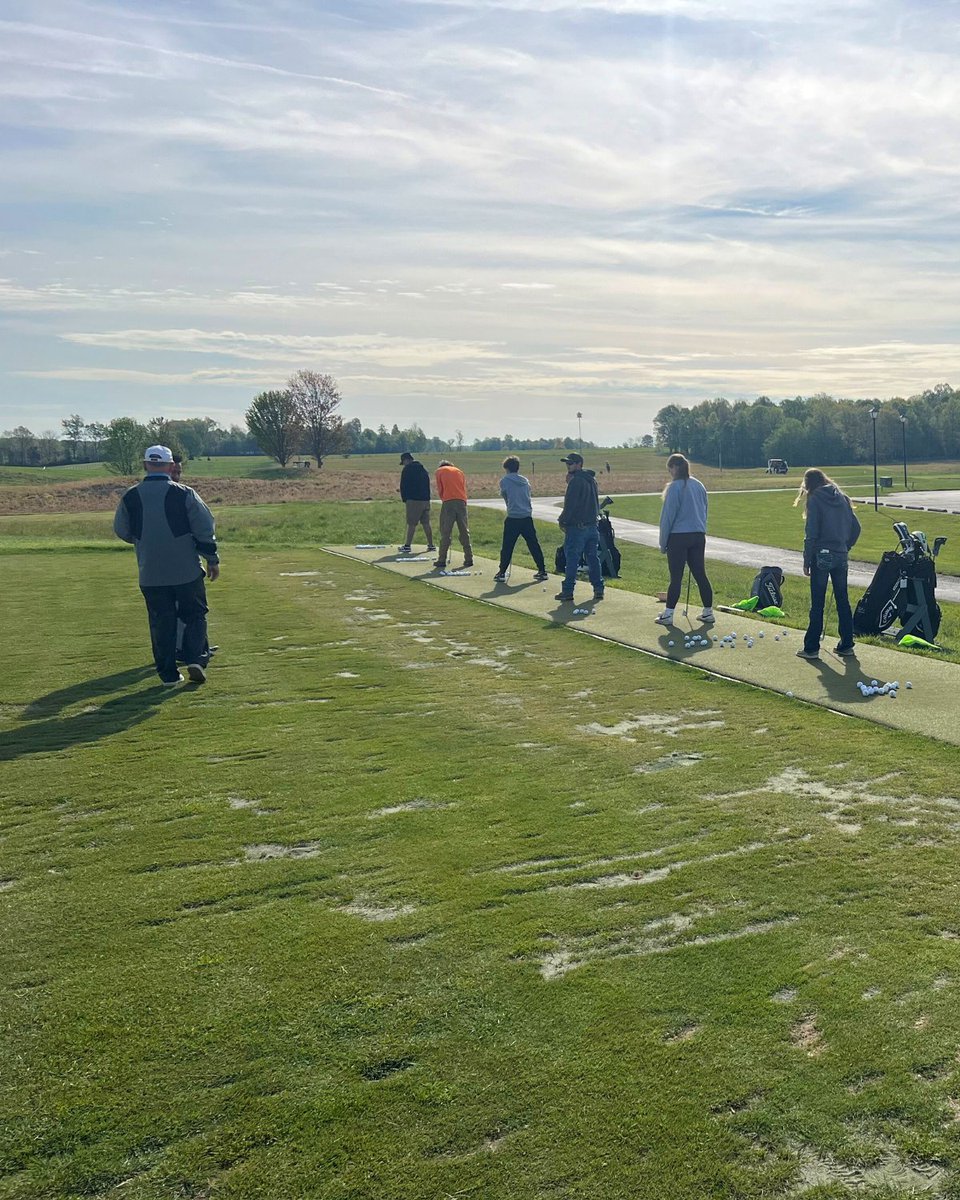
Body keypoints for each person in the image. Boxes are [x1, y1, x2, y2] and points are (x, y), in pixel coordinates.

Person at [113, 445, 220, 686]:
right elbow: (204, 528)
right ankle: (195, 658)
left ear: (145, 465)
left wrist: (145, 541)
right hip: (186, 570)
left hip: (150, 572)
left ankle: (168, 675)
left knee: (161, 621)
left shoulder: (130, 496)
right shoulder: (185, 493)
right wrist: (212, 559)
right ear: (171, 466)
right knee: (195, 614)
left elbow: (122, 530)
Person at [795, 468, 862, 660]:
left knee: (818, 603)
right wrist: (846, 546)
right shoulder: (841, 497)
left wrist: (807, 560)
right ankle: (846, 644)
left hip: (822, 555)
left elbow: (812, 533)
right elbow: (856, 527)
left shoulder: (815, 498)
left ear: (808, 484)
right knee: (843, 600)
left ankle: (811, 648)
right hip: (841, 554)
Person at [656, 453, 714, 625]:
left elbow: (667, 518)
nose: (670, 473)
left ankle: (668, 614)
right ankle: (708, 612)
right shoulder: (699, 485)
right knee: (700, 574)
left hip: (678, 537)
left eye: (670, 469)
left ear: (674, 467)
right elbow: (705, 511)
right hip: (698, 535)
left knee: (676, 577)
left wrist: (662, 542)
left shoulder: (674, 487)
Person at [171, 455, 217, 666]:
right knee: (186, 610)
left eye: (179, 472)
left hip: (184, 562)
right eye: (174, 471)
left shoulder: (184, 495)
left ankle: (199, 647)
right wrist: (212, 558)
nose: (177, 476)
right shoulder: (182, 495)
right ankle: (187, 652)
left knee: (194, 609)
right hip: (179, 566)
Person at [555, 452, 603, 603]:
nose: (568, 466)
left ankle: (567, 591)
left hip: (577, 527)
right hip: (592, 526)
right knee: (592, 558)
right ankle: (598, 588)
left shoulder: (576, 482)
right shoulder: (591, 480)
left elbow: (570, 506)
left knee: (572, 560)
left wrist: (562, 521)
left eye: (571, 463)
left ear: (579, 464)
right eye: (567, 463)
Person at [493, 456, 548, 583]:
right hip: (527, 516)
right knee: (534, 544)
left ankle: (502, 572)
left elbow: (505, 496)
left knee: (507, 546)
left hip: (513, 517)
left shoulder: (504, 481)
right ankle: (542, 570)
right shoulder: (525, 480)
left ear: (506, 468)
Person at [433, 459, 474, 570]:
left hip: (448, 502)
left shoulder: (439, 471)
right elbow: (462, 486)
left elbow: (440, 488)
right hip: (461, 501)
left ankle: (442, 559)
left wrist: (444, 499)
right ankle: (469, 558)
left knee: (446, 531)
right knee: (464, 530)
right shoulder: (459, 471)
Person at [397, 452, 435, 554]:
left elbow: (403, 486)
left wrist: (405, 499)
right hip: (425, 500)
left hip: (413, 500)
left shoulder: (407, 469)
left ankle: (407, 546)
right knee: (426, 523)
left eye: (403, 462)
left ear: (406, 460)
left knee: (411, 523)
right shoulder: (423, 469)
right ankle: (431, 545)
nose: (403, 464)